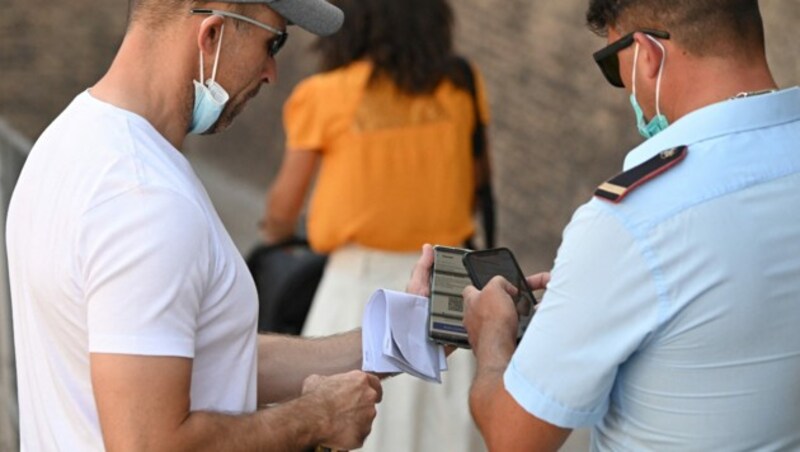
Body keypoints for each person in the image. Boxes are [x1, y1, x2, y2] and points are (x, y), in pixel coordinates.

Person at [5, 1, 436, 450]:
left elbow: (203, 356)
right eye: (274, 42)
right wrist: (316, 416)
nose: (272, 72)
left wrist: (399, 337)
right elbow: (148, 444)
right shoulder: (146, 200)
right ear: (211, 34)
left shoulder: (69, 140)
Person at [460, 0, 800, 450]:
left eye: (613, 66)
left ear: (648, 54)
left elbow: (512, 436)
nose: (625, 90)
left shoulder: (631, 222)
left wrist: (492, 340)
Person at [260, 0, 491, 450]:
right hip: (444, 287)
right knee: (436, 435)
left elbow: (281, 212)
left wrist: (279, 233)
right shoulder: (461, 85)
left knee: (346, 427)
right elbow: (479, 182)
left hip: (356, 289)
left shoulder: (325, 94)